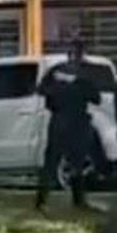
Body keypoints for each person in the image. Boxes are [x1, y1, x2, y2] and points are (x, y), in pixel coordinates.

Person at [36, 39, 101, 211]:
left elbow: (41, 89)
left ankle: (50, 201)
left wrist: (60, 93)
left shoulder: (64, 72)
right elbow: (96, 98)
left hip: (67, 120)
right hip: (70, 120)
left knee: (63, 161)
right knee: (66, 162)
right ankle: (69, 200)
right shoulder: (75, 74)